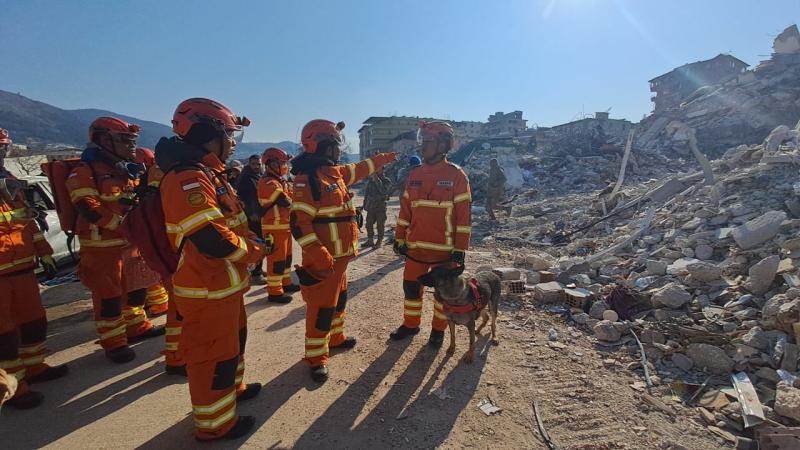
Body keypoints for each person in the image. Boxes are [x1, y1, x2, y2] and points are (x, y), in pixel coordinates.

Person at [155, 98, 264, 441]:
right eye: (229, 135)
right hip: (206, 288)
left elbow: (231, 221)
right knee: (213, 358)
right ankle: (215, 425)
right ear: (206, 133)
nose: (233, 143)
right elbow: (209, 237)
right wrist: (252, 252)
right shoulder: (187, 177)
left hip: (224, 285)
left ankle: (233, 392)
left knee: (232, 347)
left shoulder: (209, 173)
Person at [290, 119, 396, 382]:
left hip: (341, 258)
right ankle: (316, 357)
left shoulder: (334, 174)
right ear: (325, 147)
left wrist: (384, 158)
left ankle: (335, 338)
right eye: (336, 145)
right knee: (321, 308)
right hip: (324, 261)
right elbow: (299, 224)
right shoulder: (308, 180)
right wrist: (319, 255)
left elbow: (360, 169)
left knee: (338, 302)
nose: (340, 151)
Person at [66, 118, 165, 364]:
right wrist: (122, 226)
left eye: (132, 141)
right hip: (102, 247)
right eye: (124, 140)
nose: (131, 146)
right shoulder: (84, 172)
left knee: (136, 290)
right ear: (102, 140)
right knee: (109, 298)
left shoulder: (124, 170)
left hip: (128, 243)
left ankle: (137, 326)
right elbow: (89, 208)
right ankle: (114, 343)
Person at [0, 127, 68, 410]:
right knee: (5, 335)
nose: (2, 153)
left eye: (3, 148)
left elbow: (27, 224)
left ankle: (35, 367)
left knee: (34, 323)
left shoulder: (9, 182)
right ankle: (14, 388)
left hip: (23, 270)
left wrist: (45, 254)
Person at [390, 121, 472, 348]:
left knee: (442, 295)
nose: (422, 147)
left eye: (428, 142)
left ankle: (438, 330)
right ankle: (410, 324)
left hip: (444, 253)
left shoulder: (457, 176)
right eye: (422, 142)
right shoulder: (415, 174)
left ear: (443, 145)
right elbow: (406, 211)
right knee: (411, 290)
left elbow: (464, 219)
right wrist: (399, 237)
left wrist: (460, 250)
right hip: (415, 249)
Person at [257, 147, 299, 303]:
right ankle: (274, 292)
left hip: (284, 227)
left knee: (287, 259)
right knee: (276, 260)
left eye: (284, 162)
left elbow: (292, 197)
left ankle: (286, 283)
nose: (284, 165)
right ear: (270, 164)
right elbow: (286, 201)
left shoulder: (280, 181)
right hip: (273, 228)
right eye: (281, 162)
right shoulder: (268, 182)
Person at [134, 147, 170, 317]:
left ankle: (157, 303)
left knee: (149, 272)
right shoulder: (157, 172)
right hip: (154, 230)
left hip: (142, 231)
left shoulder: (150, 174)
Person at [236, 154, 267, 284]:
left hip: (260, 216)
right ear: (249, 164)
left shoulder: (259, 177)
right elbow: (242, 199)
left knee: (264, 243)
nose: (256, 166)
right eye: (253, 164)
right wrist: (250, 212)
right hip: (252, 218)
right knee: (257, 244)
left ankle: (258, 269)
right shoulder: (245, 178)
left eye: (258, 164)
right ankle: (255, 273)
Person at [362, 169, 391, 247]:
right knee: (369, 224)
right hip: (371, 206)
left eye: (379, 169)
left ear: (382, 170)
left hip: (380, 207)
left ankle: (379, 241)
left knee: (380, 224)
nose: (376, 170)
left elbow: (384, 191)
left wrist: (377, 180)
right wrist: (364, 204)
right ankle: (370, 240)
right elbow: (367, 193)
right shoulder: (371, 181)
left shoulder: (386, 181)